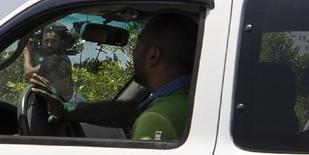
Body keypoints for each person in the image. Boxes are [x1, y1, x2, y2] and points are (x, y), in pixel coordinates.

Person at [32, 13, 196, 142]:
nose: (133, 52)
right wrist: (67, 109)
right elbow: (133, 113)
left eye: (138, 46)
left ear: (153, 56)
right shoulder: (189, 101)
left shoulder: (156, 121)